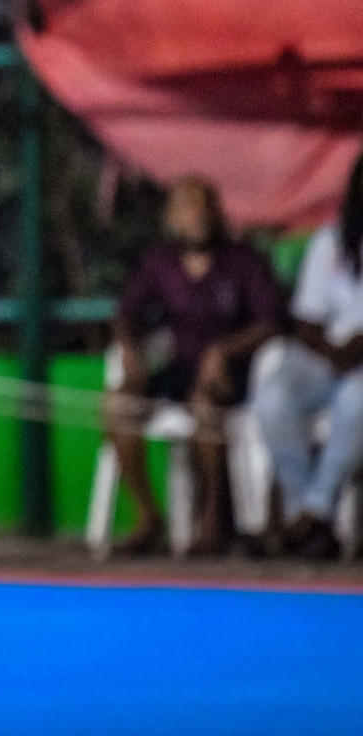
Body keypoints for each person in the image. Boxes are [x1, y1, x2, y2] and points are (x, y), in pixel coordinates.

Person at [105, 176, 285, 555]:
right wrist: (129, 350)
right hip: (177, 366)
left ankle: (213, 522)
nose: (197, 216)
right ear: (173, 217)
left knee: (206, 405)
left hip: (231, 373)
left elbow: (270, 321)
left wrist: (224, 351)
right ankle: (149, 517)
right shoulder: (161, 262)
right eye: (187, 208)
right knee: (118, 404)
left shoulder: (243, 261)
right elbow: (126, 315)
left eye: (204, 206)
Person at [252, 151, 363, 559]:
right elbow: (307, 319)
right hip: (327, 356)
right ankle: (307, 513)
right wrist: (334, 351)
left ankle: (314, 511)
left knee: (357, 399)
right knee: (273, 396)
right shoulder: (329, 242)